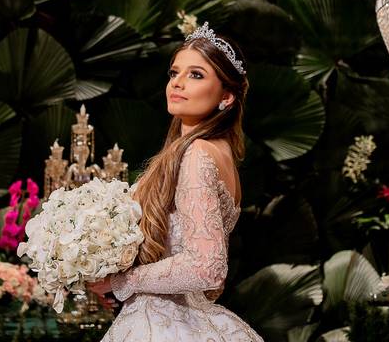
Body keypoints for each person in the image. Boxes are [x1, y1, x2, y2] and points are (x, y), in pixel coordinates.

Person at [90, 22, 263, 341]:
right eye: (174, 73)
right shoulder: (219, 152)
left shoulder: (199, 154)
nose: (178, 83)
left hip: (163, 325)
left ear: (226, 96)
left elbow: (207, 266)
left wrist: (121, 282)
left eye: (196, 75)